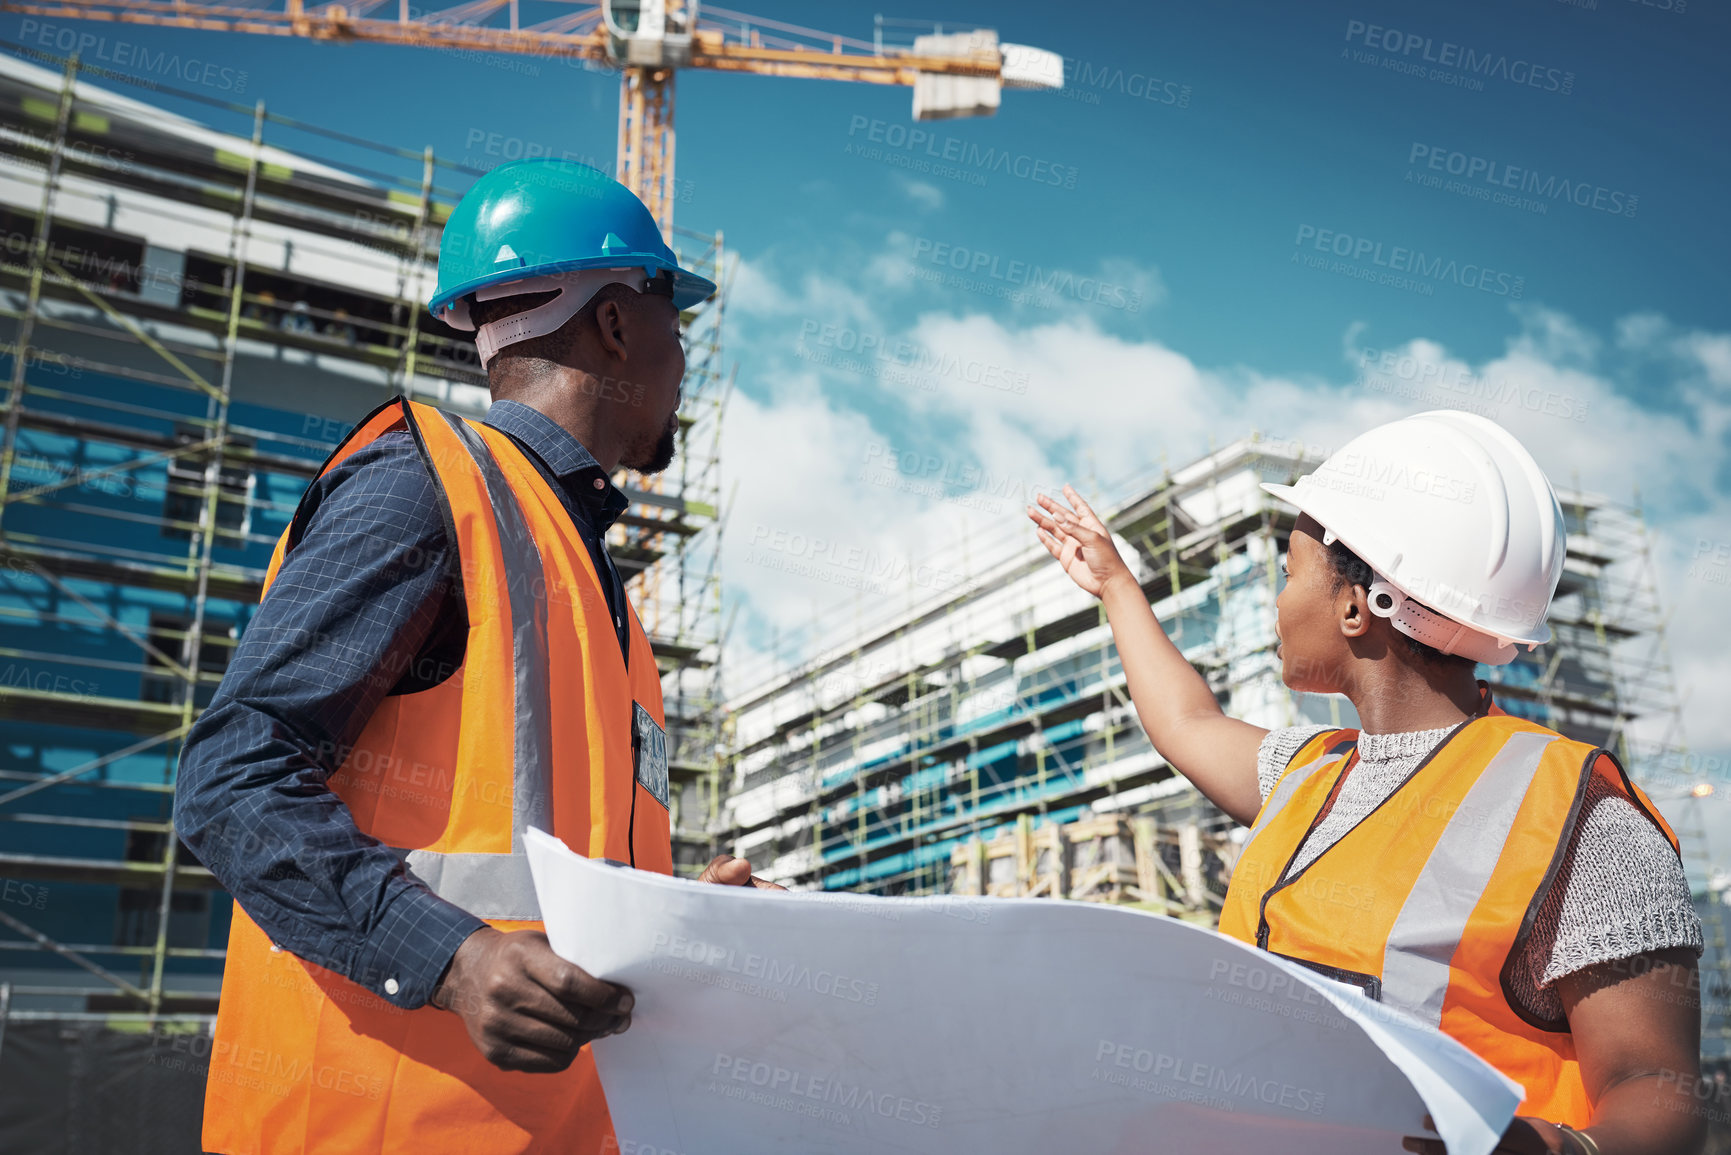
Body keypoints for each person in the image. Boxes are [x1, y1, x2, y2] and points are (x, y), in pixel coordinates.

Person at [177, 159, 774, 1155]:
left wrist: (678, 929)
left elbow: (543, 892)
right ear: (620, 323)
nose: (684, 362)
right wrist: (449, 960)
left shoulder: (591, 585)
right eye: (680, 325)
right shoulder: (423, 487)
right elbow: (230, 778)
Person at [1028, 410, 1704, 1155]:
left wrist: (1536, 1147)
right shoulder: (1308, 771)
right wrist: (1115, 585)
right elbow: (1187, 723)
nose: (1276, 604)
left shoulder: (1582, 818)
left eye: (1287, 575)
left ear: (1356, 607)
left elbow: (1655, 1090)